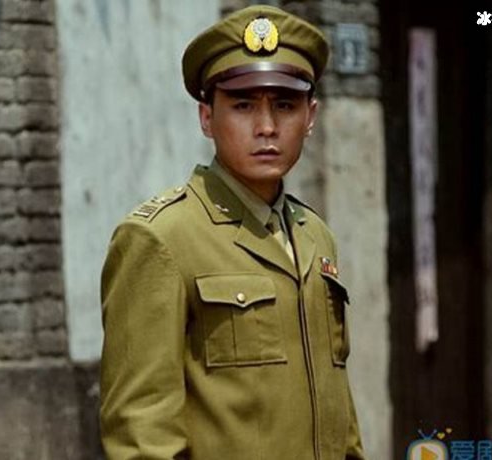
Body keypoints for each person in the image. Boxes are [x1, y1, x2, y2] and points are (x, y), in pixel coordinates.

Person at [99, 5, 365, 459]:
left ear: (310, 116)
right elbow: (141, 435)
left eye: (285, 106)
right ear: (206, 117)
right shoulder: (161, 238)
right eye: (243, 106)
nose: (267, 127)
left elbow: (339, 408)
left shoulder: (314, 236)